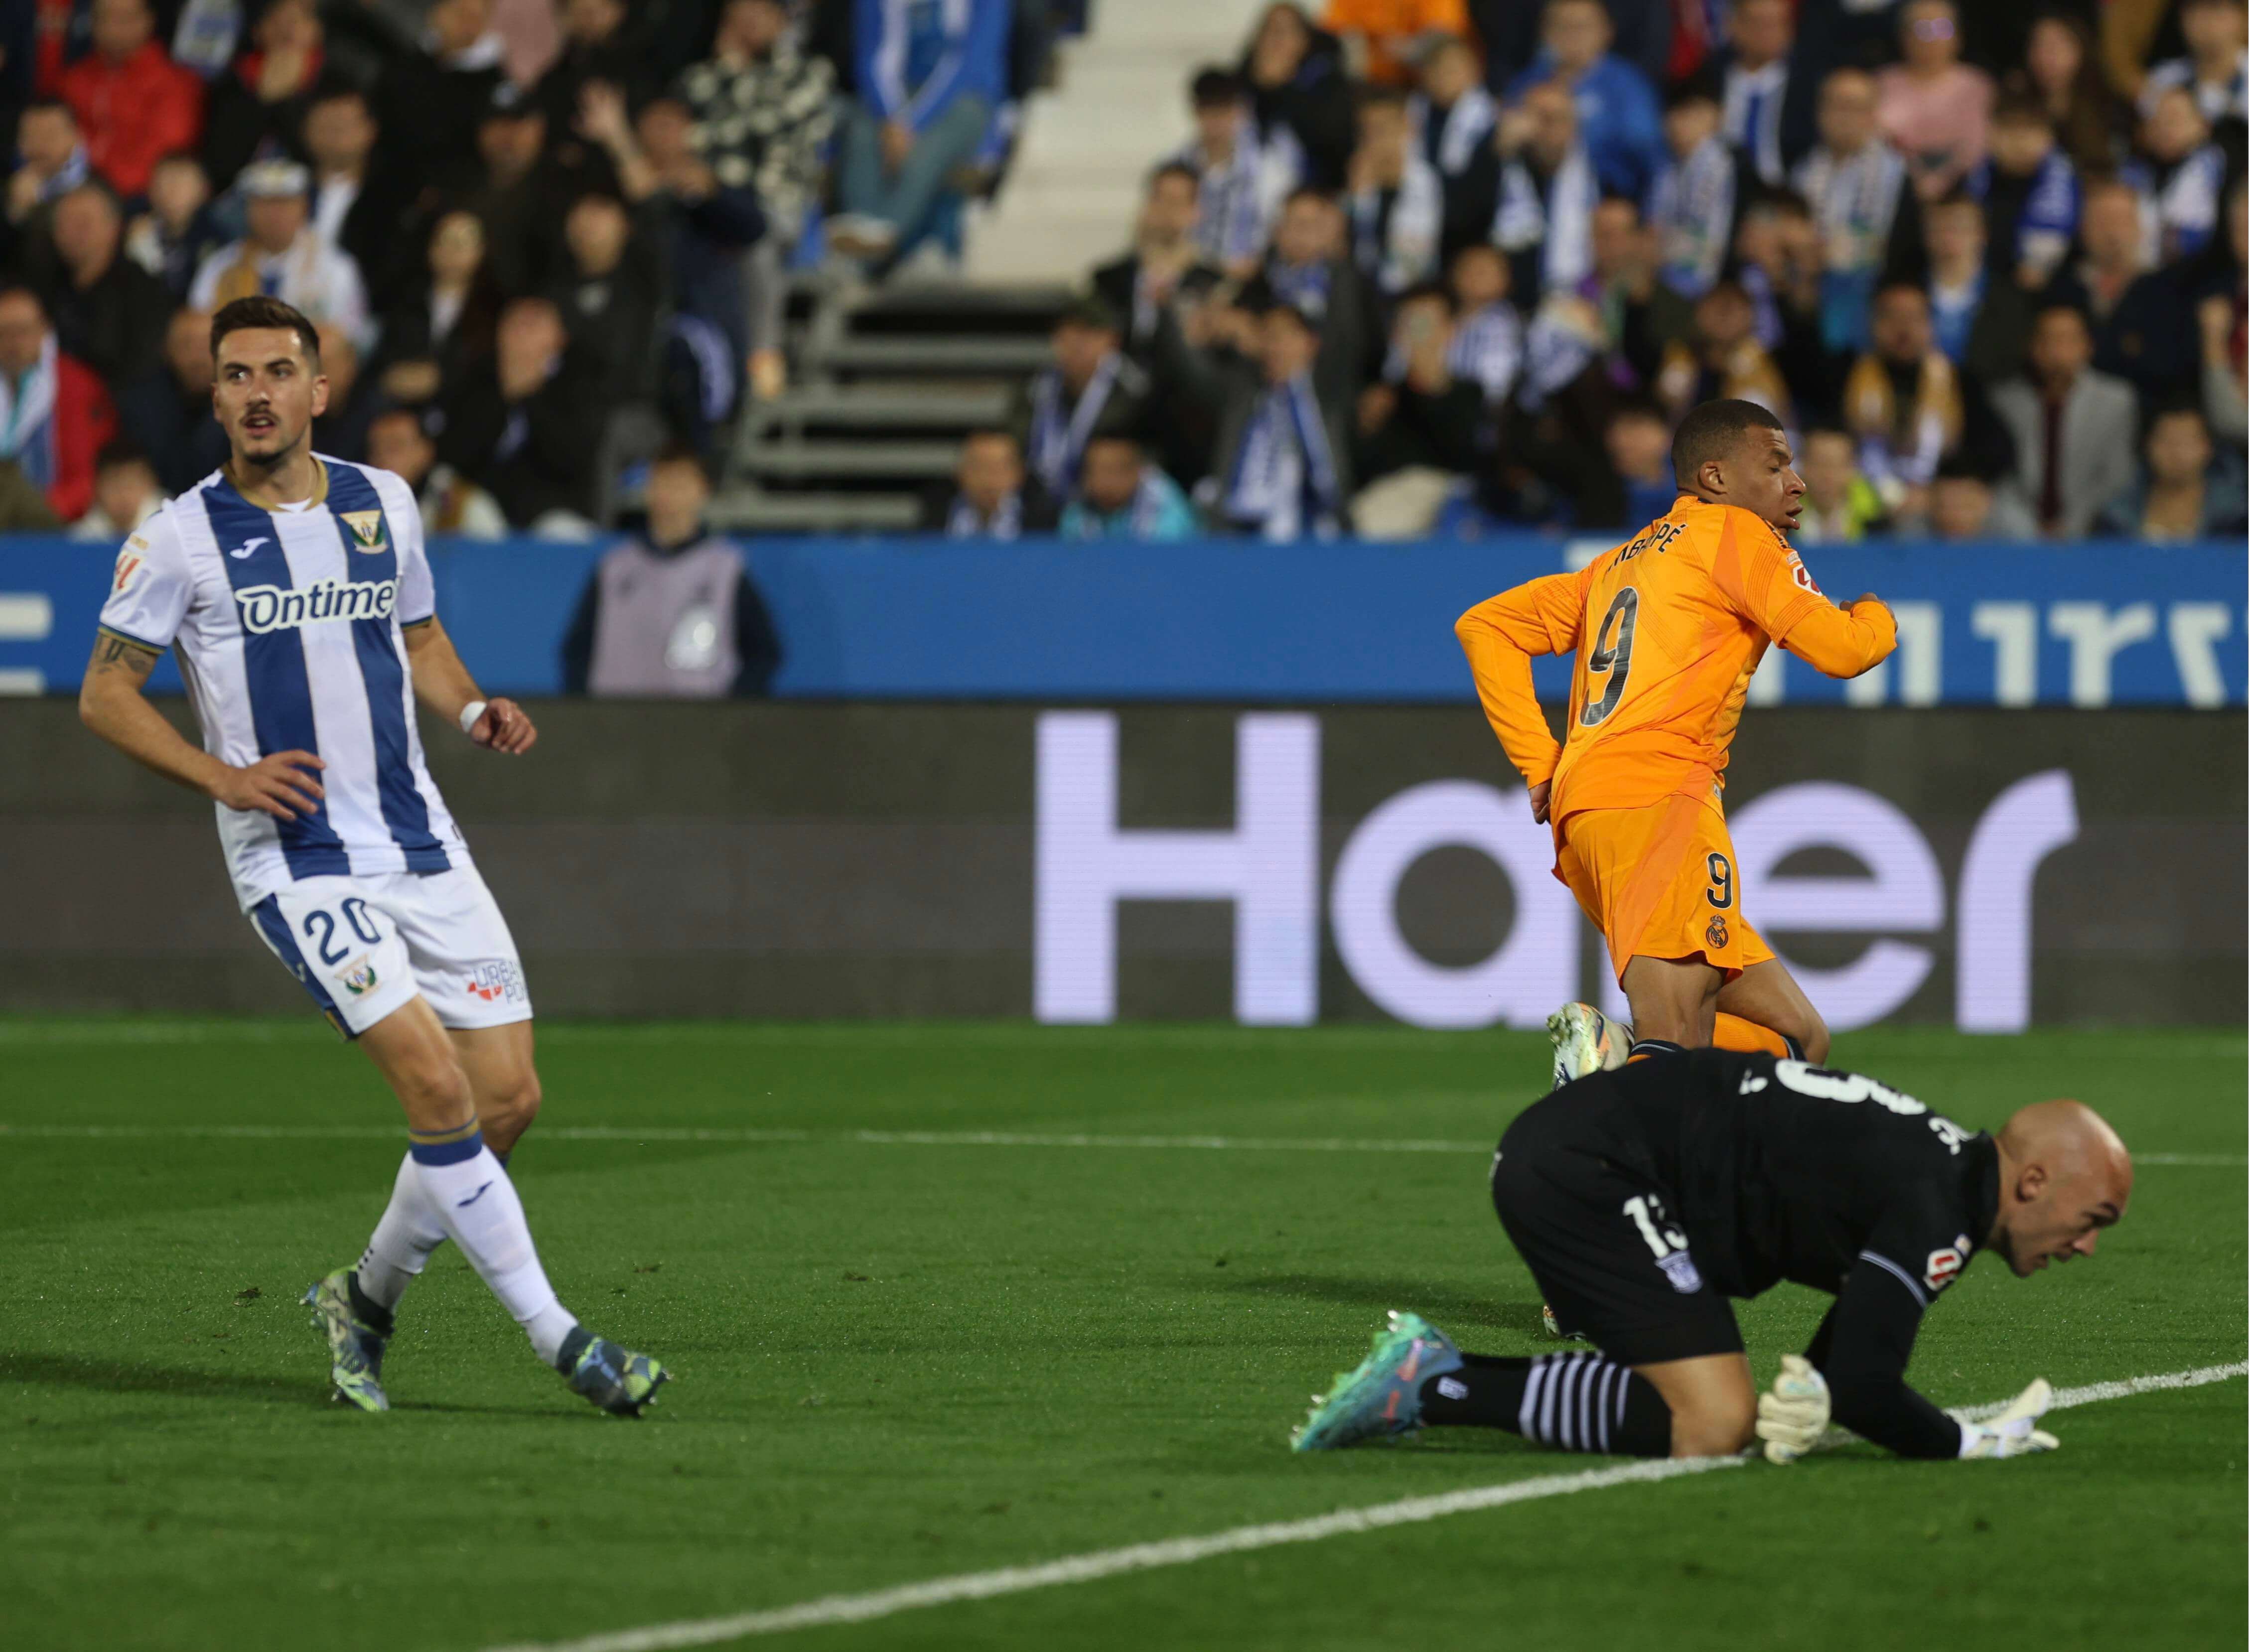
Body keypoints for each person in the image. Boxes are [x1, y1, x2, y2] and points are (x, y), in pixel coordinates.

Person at [77, 293, 667, 1418]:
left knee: (507, 1099)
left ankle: (365, 1296)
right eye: (236, 374)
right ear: (215, 397)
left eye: (277, 371)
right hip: (295, 856)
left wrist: (471, 707)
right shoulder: (176, 536)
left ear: (318, 390)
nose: (256, 392)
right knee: (436, 1085)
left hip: (417, 836)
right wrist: (225, 777)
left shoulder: (382, 501)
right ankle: (564, 1339)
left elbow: (419, 634)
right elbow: (106, 695)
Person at [1292, 1050, 2128, 1467]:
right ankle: (1433, 1382)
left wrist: (1819, 1394)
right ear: (2029, 1182)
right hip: (1592, 1170)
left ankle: (1434, 1380)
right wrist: (1960, 1442)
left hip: (1592, 1155)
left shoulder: (1939, 1180)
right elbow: (1868, 1389)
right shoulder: (1935, 1206)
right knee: (1713, 1419)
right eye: (2090, 1219)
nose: (2086, 1245)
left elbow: (1846, 1369)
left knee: (1711, 1410)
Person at [1454, 399, 1896, 1092]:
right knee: (1677, 1037)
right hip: (1660, 801)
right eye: (1775, 463)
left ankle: (1620, 1050)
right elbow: (1844, 651)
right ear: (1715, 478)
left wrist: (1542, 765)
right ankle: (1620, 1163)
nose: (1797, 481)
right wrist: (1874, 613)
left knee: (1796, 1037)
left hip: (1593, 817)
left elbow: (1486, 627)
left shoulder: (1615, 565)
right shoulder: (1738, 538)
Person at [676, 0, 835, 403]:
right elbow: (685, 132)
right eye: (738, 16)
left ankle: (761, 354)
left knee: (756, 240)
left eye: (759, 15)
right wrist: (729, 72)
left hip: (780, 204)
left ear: (782, 21)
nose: (748, 26)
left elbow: (759, 125)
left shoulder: (808, 74)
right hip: (711, 207)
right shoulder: (699, 78)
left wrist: (727, 89)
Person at [561, 445, 782, 697]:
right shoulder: (615, 568)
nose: (670, 495)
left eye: (681, 483)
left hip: (700, 725)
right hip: (619, 722)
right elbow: (577, 651)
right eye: (662, 482)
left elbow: (764, 653)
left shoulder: (725, 569)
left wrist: (730, 712)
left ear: (702, 491)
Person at [828, 0, 1007, 270]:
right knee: (863, 127)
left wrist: (913, 124)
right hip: (895, 100)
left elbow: (967, 65)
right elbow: (874, 58)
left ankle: (882, 238)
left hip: (960, 100)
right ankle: (864, 229)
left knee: (934, 142)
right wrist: (891, 118)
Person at [436, 295, 604, 535]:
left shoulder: (581, 380)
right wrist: (504, 398)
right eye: (513, 324)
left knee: (565, 533)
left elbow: (573, 458)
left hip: (554, 509)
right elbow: (455, 458)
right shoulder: (477, 379)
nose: (520, 334)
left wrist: (530, 397)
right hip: (484, 509)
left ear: (560, 337)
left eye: (532, 325)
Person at [1199, 302, 1353, 540]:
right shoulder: (1245, 396)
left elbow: (1331, 481)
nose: (1275, 347)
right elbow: (1191, 375)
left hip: (1310, 533)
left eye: (1285, 336)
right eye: (1268, 337)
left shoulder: (1329, 400)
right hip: (1241, 534)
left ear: (1310, 343)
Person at [188, 159, 371, 354]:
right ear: (248, 209)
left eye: (284, 204)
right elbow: (200, 327)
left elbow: (349, 337)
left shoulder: (335, 267)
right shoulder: (220, 266)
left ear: (304, 207)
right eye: (264, 204)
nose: (274, 214)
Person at [1992, 302, 2141, 540]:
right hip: (2019, 531)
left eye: (2068, 340)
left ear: (2087, 346)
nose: (2058, 350)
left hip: (2092, 529)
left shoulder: (2117, 400)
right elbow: (2003, 476)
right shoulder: (2006, 401)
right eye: (2049, 340)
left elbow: (2116, 476)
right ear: (2033, 348)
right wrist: (2027, 528)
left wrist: (2073, 525)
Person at [1793, 67, 1912, 355]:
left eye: (1857, 107)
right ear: (1820, 112)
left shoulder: (1899, 176)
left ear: (1874, 114)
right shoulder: (1802, 173)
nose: (1845, 116)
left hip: (1874, 312)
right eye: (1837, 105)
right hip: (1807, 311)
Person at [1504, 0, 1665, 201]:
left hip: (1610, 205)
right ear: (1544, 32)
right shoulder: (1525, 84)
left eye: (1581, 27)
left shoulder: (1629, 87)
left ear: (1607, 32)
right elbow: (1504, 148)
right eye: (1561, 26)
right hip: (1536, 203)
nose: (1572, 36)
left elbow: (1652, 161)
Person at [1354, 279, 1480, 535]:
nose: (1421, 332)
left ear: (1450, 329)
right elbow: (1363, 468)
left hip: (1452, 496)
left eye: (1428, 322)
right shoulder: (1383, 396)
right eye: (1412, 323)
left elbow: (1462, 454)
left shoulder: (1470, 392)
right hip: (1391, 501)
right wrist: (1366, 426)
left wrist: (1429, 387)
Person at [55, 0, 203, 198]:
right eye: (103, 18)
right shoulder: (75, 79)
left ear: (148, 21)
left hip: (135, 198)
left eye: (124, 19)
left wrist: (97, 192)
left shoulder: (174, 83)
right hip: (71, 190)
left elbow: (162, 156)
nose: (112, 28)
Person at [38, 180, 171, 394]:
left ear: (114, 226)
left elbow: (142, 369)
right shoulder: (47, 285)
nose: (74, 233)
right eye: (64, 224)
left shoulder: (143, 290)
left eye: (84, 223)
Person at [1011, 298, 1149, 502]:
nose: (1077, 345)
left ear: (1112, 341)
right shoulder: (1038, 387)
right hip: (1045, 496)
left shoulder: (1132, 389)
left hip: (1115, 499)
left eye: (1088, 334)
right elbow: (1018, 441)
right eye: (1070, 334)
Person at [0, 283, 117, 521]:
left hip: (54, 521)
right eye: (4, 333)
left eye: (22, 331)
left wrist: (42, 512)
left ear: (44, 331)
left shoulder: (73, 385)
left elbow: (86, 477)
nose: (13, 343)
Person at [1089, 162, 1223, 362]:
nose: (1166, 210)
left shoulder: (1214, 284)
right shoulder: (1107, 280)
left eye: (1177, 202)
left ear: (1195, 211)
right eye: (1160, 199)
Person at [1173, 68, 1295, 279]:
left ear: (1240, 111)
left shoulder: (1269, 169)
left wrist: (1257, 264)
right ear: (1196, 112)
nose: (1216, 122)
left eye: (1223, 111)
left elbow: (1282, 230)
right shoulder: (1177, 167)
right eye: (1208, 111)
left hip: (1253, 278)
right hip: (1190, 276)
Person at [1492, 79, 1601, 305]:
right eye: (1541, 117)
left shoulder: (1595, 178)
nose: (1550, 127)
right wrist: (1496, 153)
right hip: (1502, 308)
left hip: (1574, 306)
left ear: (1574, 127)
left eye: (1560, 118)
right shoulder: (1497, 168)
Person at [1875, 0, 1994, 203]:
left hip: (1963, 190)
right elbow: (1877, 140)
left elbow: (1979, 145)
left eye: (1942, 28)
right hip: (1892, 189)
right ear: (1904, 37)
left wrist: (1942, 180)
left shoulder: (1977, 85)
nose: (1930, 38)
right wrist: (1914, 175)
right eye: (1922, 29)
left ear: (1958, 38)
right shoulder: (1882, 83)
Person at [1241, 4, 1356, 193]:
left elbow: (1333, 144)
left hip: (1316, 195)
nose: (1277, 41)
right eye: (1271, 31)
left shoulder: (1327, 82)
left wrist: (1282, 88)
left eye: (1286, 31)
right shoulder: (1242, 86)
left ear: (1305, 40)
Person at [2093, 402, 2249, 540]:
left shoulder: (2237, 515)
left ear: (2207, 448)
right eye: (2167, 441)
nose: (2176, 453)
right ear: (2148, 446)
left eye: (2187, 442)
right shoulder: (2118, 513)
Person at [1647, 77, 1739, 301]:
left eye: (1694, 113)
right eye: (1677, 114)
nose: (1683, 123)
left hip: (1711, 286)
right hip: (1668, 281)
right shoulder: (1667, 171)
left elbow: (1708, 248)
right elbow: (1653, 231)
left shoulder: (1720, 164)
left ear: (1718, 116)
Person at [1345, 86, 1443, 294]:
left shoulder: (1436, 185)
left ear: (1408, 128)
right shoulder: (1356, 194)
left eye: (1383, 128)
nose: (1375, 139)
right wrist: (1356, 203)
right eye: (1367, 131)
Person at [1924, 194, 2029, 388]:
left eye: (1960, 228)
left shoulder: (2008, 298)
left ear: (1982, 235)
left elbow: (2009, 362)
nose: (1949, 237)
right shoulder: (1907, 293)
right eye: (1940, 228)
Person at [1410, 32, 1499, 255]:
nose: (1443, 76)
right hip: (1422, 222)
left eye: (1452, 68)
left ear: (1474, 71)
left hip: (1476, 232)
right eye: (1434, 68)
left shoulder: (1492, 120)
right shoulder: (1412, 114)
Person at [365, 406, 509, 540]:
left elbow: (498, 561)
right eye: (376, 448)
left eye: (396, 445)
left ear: (425, 451)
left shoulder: (465, 505)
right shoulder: (362, 510)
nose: (383, 456)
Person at [1715, 0, 1815, 187]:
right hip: (1720, 192)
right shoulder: (1711, 78)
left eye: (1774, 24)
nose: (1765, 34)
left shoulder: (1808, 85)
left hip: (1784, 195)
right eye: (1757, 23)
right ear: (1733, 25)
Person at [124, 150, 223, 302]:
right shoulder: (133, 225)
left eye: (181, 182)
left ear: (204, 190)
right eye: (162, 182)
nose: (171, 191)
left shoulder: (214, 238)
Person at [922, 427, 1058, 538]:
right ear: (960, 473)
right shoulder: (936, 518)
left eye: (998, 469)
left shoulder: (1043, 523)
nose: (989, 480)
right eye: (980, 468)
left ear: (1019, 474)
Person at [1060, 433, 1198, 541]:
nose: (1105, 481)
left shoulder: (1167, 510)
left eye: (1113, 470)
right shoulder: (1076, 511)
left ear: (1137, 472)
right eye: (1097, 471)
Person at [2137, 0, 2249, 125]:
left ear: (2242, 16)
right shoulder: (2163, 79)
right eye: (2193, 10)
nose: (2205, 21)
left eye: (2215, 8)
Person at [1321, 0, 1468, 89]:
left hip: (1420, 82)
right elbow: (1333, 31)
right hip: (1370, 84)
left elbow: (1445, 34)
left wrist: (1409, 51)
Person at [1794, 423, 1887, 543]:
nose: (1827, 475)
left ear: (1853, 469)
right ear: (1803, 467)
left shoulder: (1876, 523)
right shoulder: (1779, 523)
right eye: (1818, 464)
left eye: (1837, 465)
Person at [1914, 452, 2037, 541]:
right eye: (1944, 506)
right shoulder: (1912, 534)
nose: (1954, 517)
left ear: (1987, 500)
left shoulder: (2015, 533)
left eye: (1965, 506)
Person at [66, 437, 161, 540]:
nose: (124, 496)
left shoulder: (169, 528)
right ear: (97, 487)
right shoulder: (80, 539)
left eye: (131, 486)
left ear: (150, 485)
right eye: (115, 487)